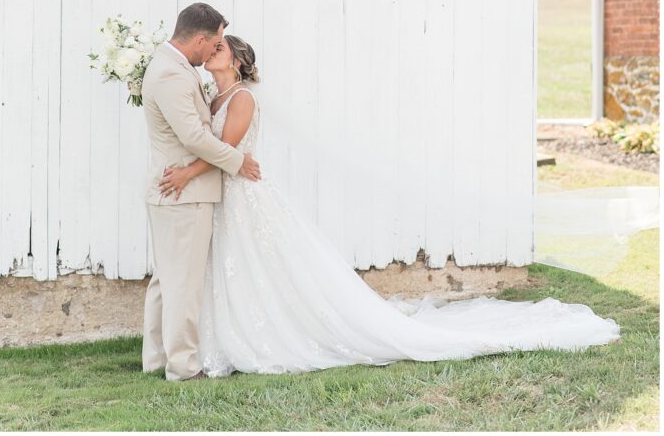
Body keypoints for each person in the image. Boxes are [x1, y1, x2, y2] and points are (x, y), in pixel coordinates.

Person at [159, 36, 621, 377]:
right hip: (228, 196)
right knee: (237, 267)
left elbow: (228, 152)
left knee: (266, 266)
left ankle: (267, 335)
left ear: (238, 60)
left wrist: (185, 173)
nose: (213, 50)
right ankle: (228, 335)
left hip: (247, 196)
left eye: (221, 47)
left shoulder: (240, 99)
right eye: (212, 46)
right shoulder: (211, 94)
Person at [141, 3, 261, 381]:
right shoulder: (173, 76)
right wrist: (237, 161)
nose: (215, 49)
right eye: (216, 42)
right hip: (184, 192)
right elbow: (194, 136)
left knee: (167, 281)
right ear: (199, 40)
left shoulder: (171, 67)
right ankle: (182, 367)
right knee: (182, 285)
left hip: (177, 189)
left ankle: (158, 360)